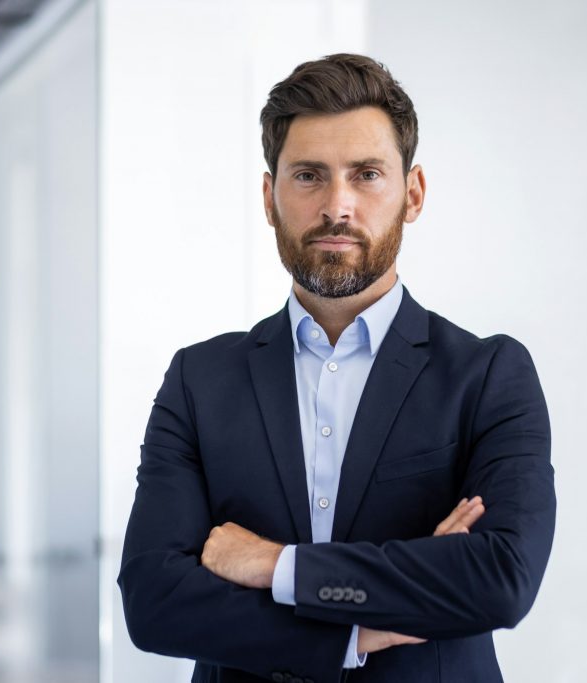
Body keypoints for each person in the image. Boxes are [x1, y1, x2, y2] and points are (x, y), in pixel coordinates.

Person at [118, 53, 555, 683]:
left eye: (367, 174)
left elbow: (500, 579)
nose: (337, 205)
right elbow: (155, 603)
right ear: (269, 198)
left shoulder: (488, 376)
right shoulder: (199, 381)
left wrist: (277, 567)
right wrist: (362, 625)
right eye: (308, 176)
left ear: (414, 193)